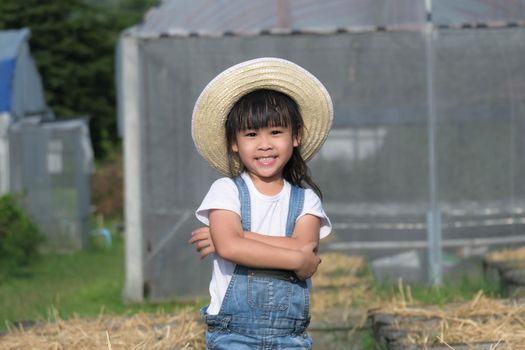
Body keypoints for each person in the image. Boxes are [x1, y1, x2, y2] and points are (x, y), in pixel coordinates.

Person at [189, 57, 333, 349]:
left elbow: (307, 254)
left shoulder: (306, 200)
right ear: (234, 142)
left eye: (276, 132)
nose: (264, 144)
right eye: (251, 134)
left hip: (289, 338)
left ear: (296, 136)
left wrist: (240, 239)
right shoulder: (226, 191)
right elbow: (299, 258)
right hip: (233, 336)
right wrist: (293, 256)